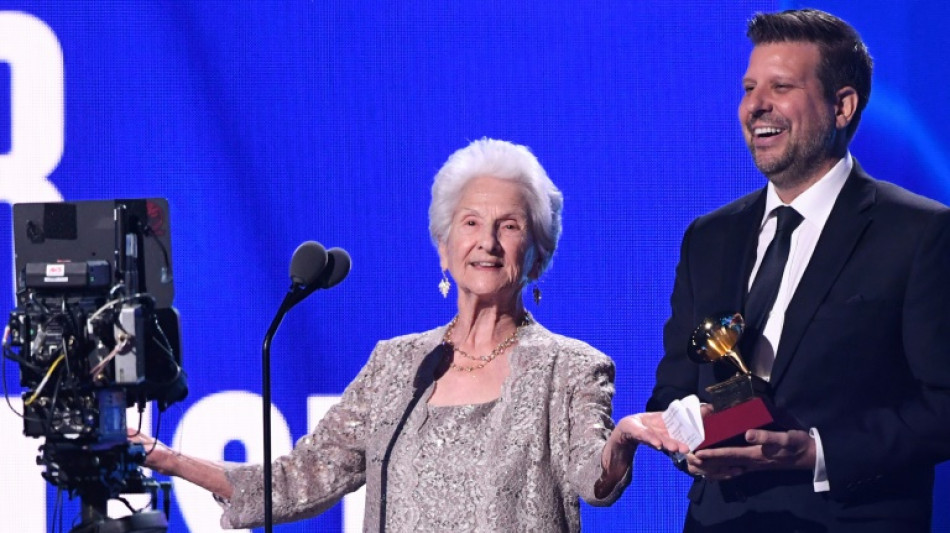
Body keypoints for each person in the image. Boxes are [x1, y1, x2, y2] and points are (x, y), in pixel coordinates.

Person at [132, 138, 687, 531]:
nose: (488, 242)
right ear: (444, 247)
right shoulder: (396, 364)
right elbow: (302, 478)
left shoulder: (572, 368)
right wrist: (169, 458)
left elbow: (592, 481)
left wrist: (623, 438)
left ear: (538, 256)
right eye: (471, 223)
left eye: (510, 226)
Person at [645, 8, 950, 533]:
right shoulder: (708, 238)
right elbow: (673, 389)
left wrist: (816, 454)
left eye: (780, 86)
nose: (754, 106)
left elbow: (943, 406)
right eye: (748, 88)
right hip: (721, 522)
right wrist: (683, 440)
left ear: (842, 106)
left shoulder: (920, 233)